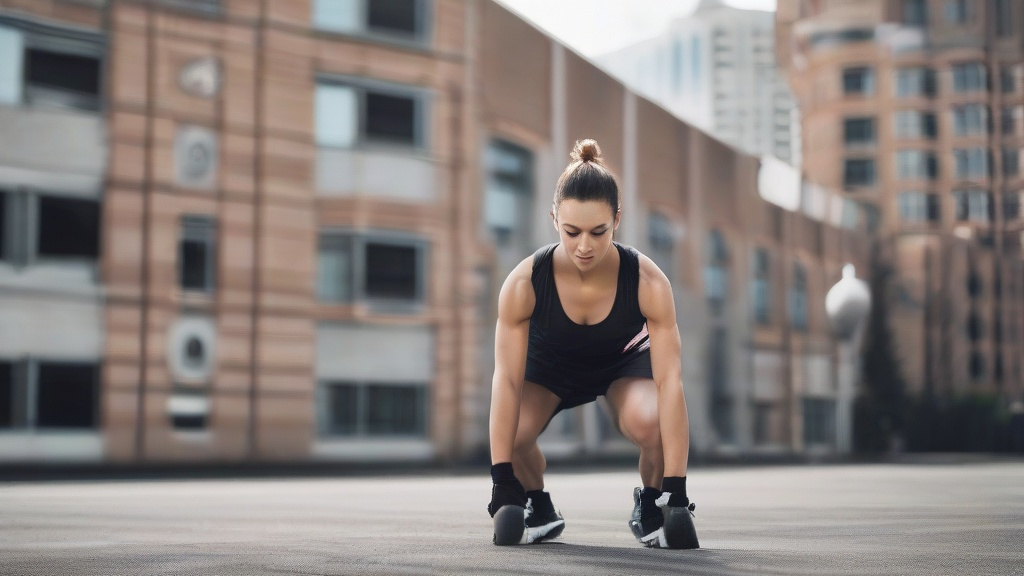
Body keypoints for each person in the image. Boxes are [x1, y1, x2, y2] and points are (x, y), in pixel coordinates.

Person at [486, 139, 699, 549]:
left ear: (617, 219)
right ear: (553, 220)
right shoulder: (523, 283)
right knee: (513, 434)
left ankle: (651, 501)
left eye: (598, 231)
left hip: (621, 366)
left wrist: (677, 487)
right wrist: (501, 480)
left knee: (651, 421)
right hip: (549, 367)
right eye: (572, 232)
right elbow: (506, 382)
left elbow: (671, 382)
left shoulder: (648, 282)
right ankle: (537, 503)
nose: (585, 246)